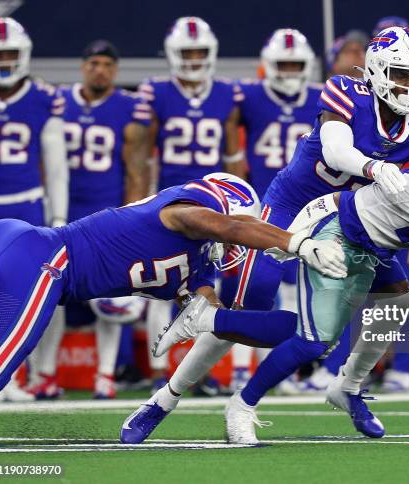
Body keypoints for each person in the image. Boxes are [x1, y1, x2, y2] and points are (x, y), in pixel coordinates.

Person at [151, 127, 409, 444]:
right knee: (315, 340)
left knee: (396, 303)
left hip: (379, 240)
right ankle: (240, 404)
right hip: (342, 226)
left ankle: (346, 388)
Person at [0, 172, 345, 402]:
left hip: (30, 256)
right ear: (224, 208)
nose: (238, 245)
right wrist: (298, 243)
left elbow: (224, 328)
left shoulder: (197, 270)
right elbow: (230, 229)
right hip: (40, 256)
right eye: (237, 221)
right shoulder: (184, 211)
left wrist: (305, 336)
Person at [27, 40, 152, 400]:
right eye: (94, 63)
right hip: (61, 211)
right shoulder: (58, 102)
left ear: (115, 70)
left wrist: (133, 216)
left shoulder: (128, 107)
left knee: (109, 297)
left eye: (108, 65)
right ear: (83, 66)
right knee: (49, 293)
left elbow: (136, 169)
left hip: (104, 216)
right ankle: (45, 375)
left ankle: (105, 376)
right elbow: (41, 160)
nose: (101, 70)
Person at [137, 17, 247, 391]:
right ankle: (156, 373)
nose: (195, 58)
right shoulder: (156, 92)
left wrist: (236, 207)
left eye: (200, 51)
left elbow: (233, 157)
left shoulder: (227, 95)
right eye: (188, 52)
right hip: (167, 205)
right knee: (159, 285)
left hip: (210, 205)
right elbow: (142, 156)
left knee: (208, 289)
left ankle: (197, 374)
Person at [230, 28, 321, 391]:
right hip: (266, 201)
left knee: (295, 289)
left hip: (309, 204)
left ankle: (279, 369)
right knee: (251, 285)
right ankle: (240, 367)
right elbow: (225, 124)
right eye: (281, 64)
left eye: (295, 64)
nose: (288, 71)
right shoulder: (250, 96)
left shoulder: (323, 97)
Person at [0, 17, 68, 402]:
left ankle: (18, 377)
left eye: (9, 54)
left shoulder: (43, 97)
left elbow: (56, 165)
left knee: (25, 295)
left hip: (26, 205)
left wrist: (58, 216)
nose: (3, 61)